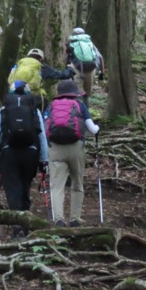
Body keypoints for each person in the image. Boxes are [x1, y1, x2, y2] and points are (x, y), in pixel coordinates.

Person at [0, 81, 49, 238]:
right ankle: (25, 224)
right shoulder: (34, 110)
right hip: (30, 153)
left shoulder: (3, 110)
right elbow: (41, 135)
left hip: (9, 153)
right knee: (24, 187)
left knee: (13, 190)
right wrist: (44, 158)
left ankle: (18, 228)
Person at [44, 79, 100, 227]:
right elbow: (93, 129)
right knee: (77, 183)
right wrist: (98, 129)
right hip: (76, 148)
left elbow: (44, 129)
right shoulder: (80, 106)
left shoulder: (51, 107)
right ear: (74, 93)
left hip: (55, 149)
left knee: (56, 186)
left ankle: (59, 219)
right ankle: (75, 218)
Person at [8, 47, 75, 110]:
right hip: (34, 98)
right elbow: (63, 75)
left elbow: (10, 79)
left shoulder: (18, 65)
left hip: (14, 96)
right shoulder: (41, 67)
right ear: (41, 59)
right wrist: (70, 68)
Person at [66, 28, 105, 107]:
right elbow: (100, 57)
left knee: (78, 91)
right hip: (91, 69)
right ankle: (86, 113)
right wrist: (102, 72)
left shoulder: (71, 44)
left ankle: (78, 112)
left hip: (77, 69)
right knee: (87, 93)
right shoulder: (90, 43)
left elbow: (68, 58)